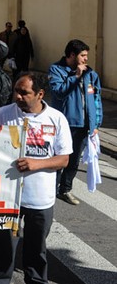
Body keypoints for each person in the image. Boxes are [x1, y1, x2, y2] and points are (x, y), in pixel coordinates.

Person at [0, 72, 72, 284]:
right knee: (3, 248)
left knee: (36, 248)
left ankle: (36, 280)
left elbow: (63, 160)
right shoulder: (3, 114)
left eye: (24, 93)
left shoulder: (56, 119)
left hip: (40, 198)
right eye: (16, 90)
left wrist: (37, 164)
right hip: (7, 197)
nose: (17, 96)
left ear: (40, 94)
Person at [49, 39, 103, 206]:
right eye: (83, 55)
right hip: (65, 124)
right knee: (59, 159)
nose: (86, 59)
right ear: (72, 55)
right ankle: (50, 191)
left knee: (73, 161)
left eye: (87, 55)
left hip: (83, 125)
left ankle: (65, 189)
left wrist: (96, 123)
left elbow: (96, 100)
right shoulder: (56, 70)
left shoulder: (91, 74)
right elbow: (58, 93)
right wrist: (75, 77)